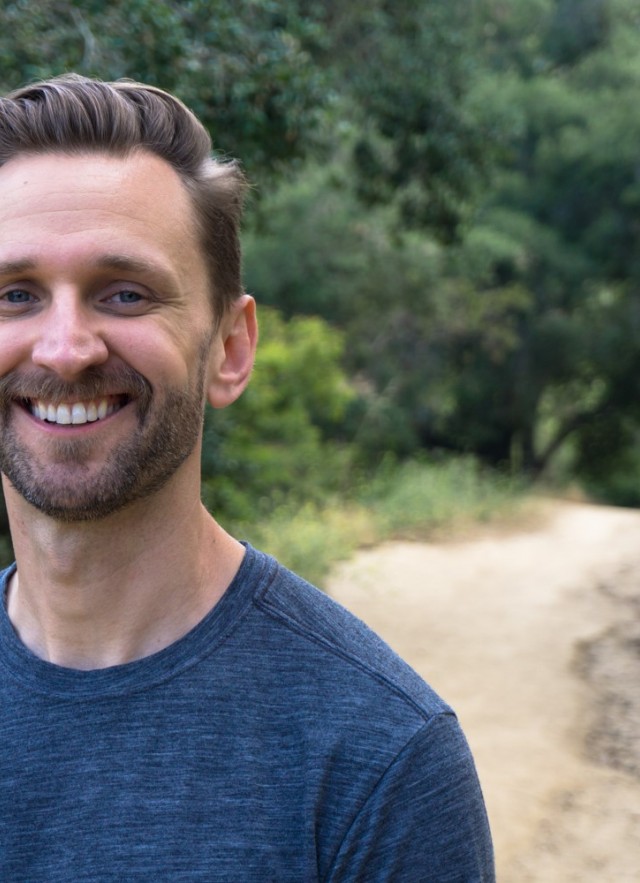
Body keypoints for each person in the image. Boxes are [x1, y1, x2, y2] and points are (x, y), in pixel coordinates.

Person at [0, 74, 494, 881]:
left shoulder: (379, 759)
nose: (64, 348)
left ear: (230, 347)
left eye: (124, 293)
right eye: (14, 294)